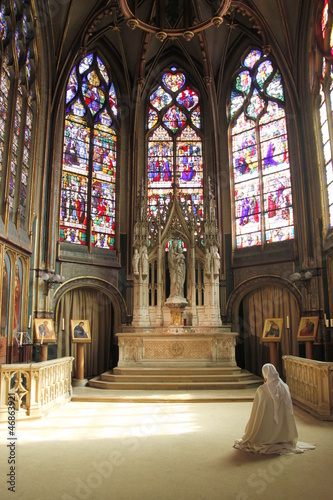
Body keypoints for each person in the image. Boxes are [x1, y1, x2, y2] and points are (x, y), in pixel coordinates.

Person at [234, 364, 316, 455]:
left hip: (266, 431)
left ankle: (267, 437)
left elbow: (257, 412)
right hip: (284, 430)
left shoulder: (262, 390)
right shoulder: (285, 387)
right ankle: (281, 436)